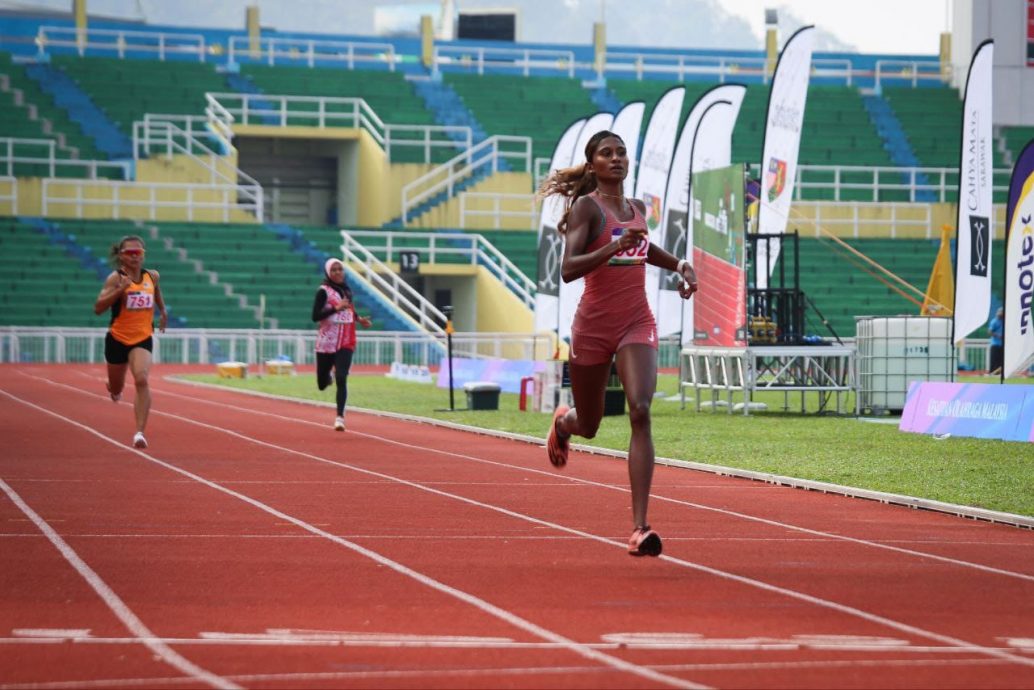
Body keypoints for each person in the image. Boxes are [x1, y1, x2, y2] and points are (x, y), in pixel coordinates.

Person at [539, 130, 698, 558]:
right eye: (606, 154)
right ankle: (563, 423)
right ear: (592, 165)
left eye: (622, 152)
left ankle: (640, 528)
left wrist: (681, 265)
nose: (616, 158)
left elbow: (643, 250)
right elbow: (568, 269)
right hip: (593, 327)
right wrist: (612, 247)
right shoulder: (585, 210)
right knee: (589, 424)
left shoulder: (637, 209)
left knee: (640, 410)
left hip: (636, 322)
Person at [93, 235, 167, 449]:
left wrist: (162, 311)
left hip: (142, 337)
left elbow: (156, 292)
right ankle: (114, 389)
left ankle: (139, 433)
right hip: (117, 338)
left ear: (143, 255)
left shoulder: (152, 276)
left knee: (142, 379)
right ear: (121, 256)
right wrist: (120, 289)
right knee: (116, 386)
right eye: (130, 253)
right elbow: (98, 308)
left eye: (139, 253)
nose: (135, 257)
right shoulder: (115, 279)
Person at [312, 258, 372, 430]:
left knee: (342, 377)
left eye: (340, 269)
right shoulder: (322, 291)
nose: (338, 272)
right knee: (322, 384)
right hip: (326, 342)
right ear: (328, 273)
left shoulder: (347, 290)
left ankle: (340, 417)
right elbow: (315, 316)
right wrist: (335, 309)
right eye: (334, 270)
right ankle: (327, 377)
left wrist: (359, 319)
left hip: (346, 339)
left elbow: (349, 309)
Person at [988, 306, 1004, 376]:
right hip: (995, 344)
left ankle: (1000, 373)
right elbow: (990, 331)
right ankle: (992, 373)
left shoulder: (1004, 321)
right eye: (999, 312)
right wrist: (998, 336)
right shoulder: (994, 321)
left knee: (1001, 360)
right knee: (994, 360)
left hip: (1002, 345)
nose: (1000, 313)